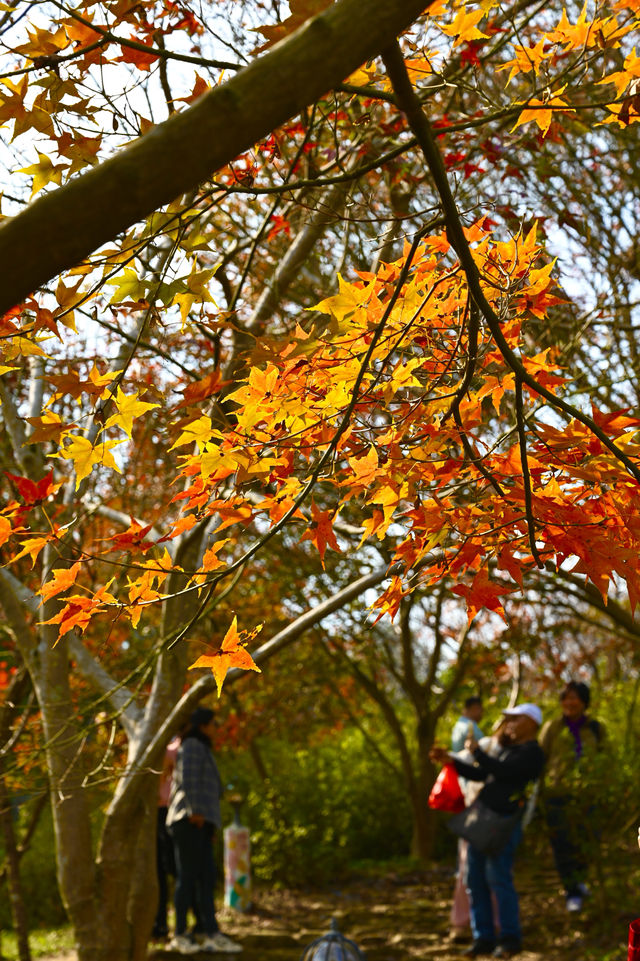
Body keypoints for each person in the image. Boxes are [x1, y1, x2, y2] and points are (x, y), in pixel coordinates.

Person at [431, 703, 545, 959]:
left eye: (516, 720)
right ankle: (483, 938)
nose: (510, 725)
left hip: (503, 825)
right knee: (474, 879)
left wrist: (477, 753)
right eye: (509, 720)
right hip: (482, 822)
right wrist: (453, 762)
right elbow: (483, 774)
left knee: (498, 878)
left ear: (531, 723)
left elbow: (503, 772)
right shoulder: (509, 750)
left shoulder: (532, 753)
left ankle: (510, 939)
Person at [166, 707, 242, 955]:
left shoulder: (202, 748)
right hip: (188, 820)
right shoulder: (191, 746)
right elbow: (188, 779)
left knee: (206, 877)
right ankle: (179, 934)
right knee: (187, 877)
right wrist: (196, 812)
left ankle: (210, 932)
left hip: (202, 822)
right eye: (213, 724)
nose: (216, 728)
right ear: (202, 725)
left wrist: (209, 823)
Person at [539, 680, 606, 914]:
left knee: (588, 841)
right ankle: (571, 891)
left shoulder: (596, 728)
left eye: (575, 698)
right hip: (558, 795)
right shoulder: (553, 727)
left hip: (588, 796)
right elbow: (541, 758)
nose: (570, 703)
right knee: (563, 844)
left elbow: (605, 757)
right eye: (566, 698)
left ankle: (580, 881)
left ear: (584, 702)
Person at [152, 736, 180, 939]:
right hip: (155, 812)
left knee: (176, 869)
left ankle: (182, 927)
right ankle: (160, 924)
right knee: (158, 871)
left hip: (172, 811)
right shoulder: (156, 739)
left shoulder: (179, 744)